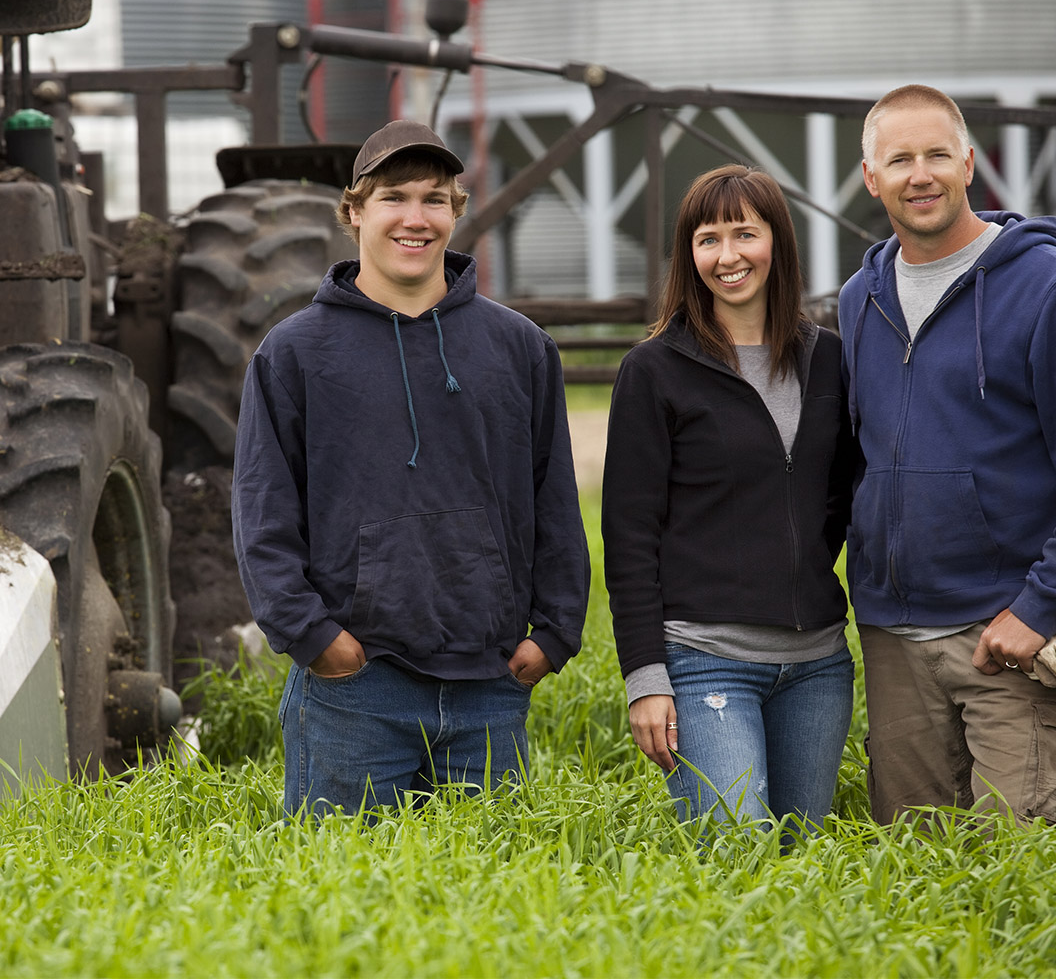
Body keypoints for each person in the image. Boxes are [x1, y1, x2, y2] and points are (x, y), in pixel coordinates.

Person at [232, 120, 590, 819]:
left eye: (435, 199)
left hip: (490, 683)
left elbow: (555, 502)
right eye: (394, 197)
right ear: (354, 210)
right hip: (354, 690)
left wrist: (553, 635)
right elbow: (261, 510)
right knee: (342, 908)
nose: (415, 218)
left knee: (494, 910)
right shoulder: (295, 354)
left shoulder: (519, 348)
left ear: (456, 212)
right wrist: (315, 639)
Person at [839, 84, 1056, 824]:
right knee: (913, 872)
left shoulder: (1050, 289)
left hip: (1006, 638)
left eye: (937, 154)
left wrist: (1042, 608)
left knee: (1020, 869)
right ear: (871, 177)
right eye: (900, 159)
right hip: (892, 639)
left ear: (969, 162)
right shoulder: (859, 299)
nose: (922, 174)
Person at [602, 165, 855, 832]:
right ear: (689, 254)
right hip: (705, 656)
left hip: (817, 665)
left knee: (803, 859)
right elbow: (628, 536)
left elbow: (840, 498)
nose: (728, 255)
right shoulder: (654, 370)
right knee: (735, 854)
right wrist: (645, 678)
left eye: (746, 233)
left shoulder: (828, 358)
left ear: (778, 243)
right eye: (708, 239)